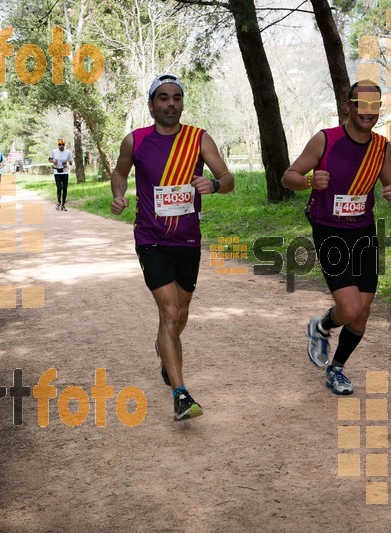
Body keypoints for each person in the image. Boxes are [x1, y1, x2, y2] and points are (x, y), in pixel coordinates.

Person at [110, 73, 235, 420]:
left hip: (188, 240)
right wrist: (118, 194)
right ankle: (180, 393)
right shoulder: (135, 141)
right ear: (151, 105)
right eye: (163, 98)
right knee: (169, 313)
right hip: (151, 238)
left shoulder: (198, 139)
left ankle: (165, 350)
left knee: (181, 313)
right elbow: (119, 173)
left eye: (176, 98)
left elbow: (228, 179)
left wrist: (213, 184)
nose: (171, 104)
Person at [281, 80, 391, 395]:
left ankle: (336, 369)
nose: (368, 112)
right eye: (362, 105)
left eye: (375, 106)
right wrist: (309, 180)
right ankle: (322, 326)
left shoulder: (381, 147)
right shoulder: (325, 140)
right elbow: (288, 177)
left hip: (363, 231)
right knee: (349, 309)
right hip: (329, 229)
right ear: (348, 105)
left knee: (362, 312)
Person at [49, 138, 73, 211]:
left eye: (63, 145)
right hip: (57, 172)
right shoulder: (54, 152)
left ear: (64, 145)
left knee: (65, 189)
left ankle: (63, 205)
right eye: (60, 145)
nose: (61, 146)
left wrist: (70, 162)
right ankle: (59, 202)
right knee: (59, 188)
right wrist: (53, 162)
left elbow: (71, 161)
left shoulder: (68, 152)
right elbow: (49, 159)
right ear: (58, 145)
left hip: (65, 172)